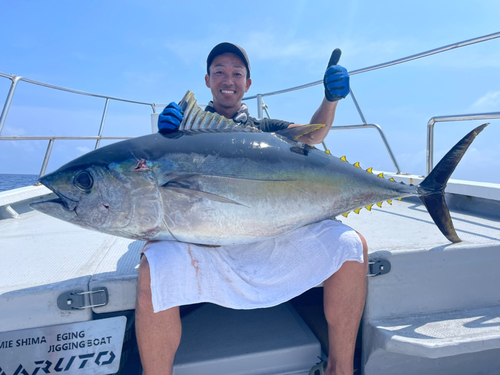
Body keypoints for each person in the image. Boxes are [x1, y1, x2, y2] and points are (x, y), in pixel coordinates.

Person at [135, 42, 368, 375]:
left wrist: (330, 100)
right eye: (219, 72)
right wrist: (166, 139)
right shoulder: (183, 132)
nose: (227, 79)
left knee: (350, 245)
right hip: (206, 240)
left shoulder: (265, 131)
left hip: (263, 232)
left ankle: (340, 370)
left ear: (247, 84)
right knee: (153, 266)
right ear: (207, 80)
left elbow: (313, 135)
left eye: (236, 73)